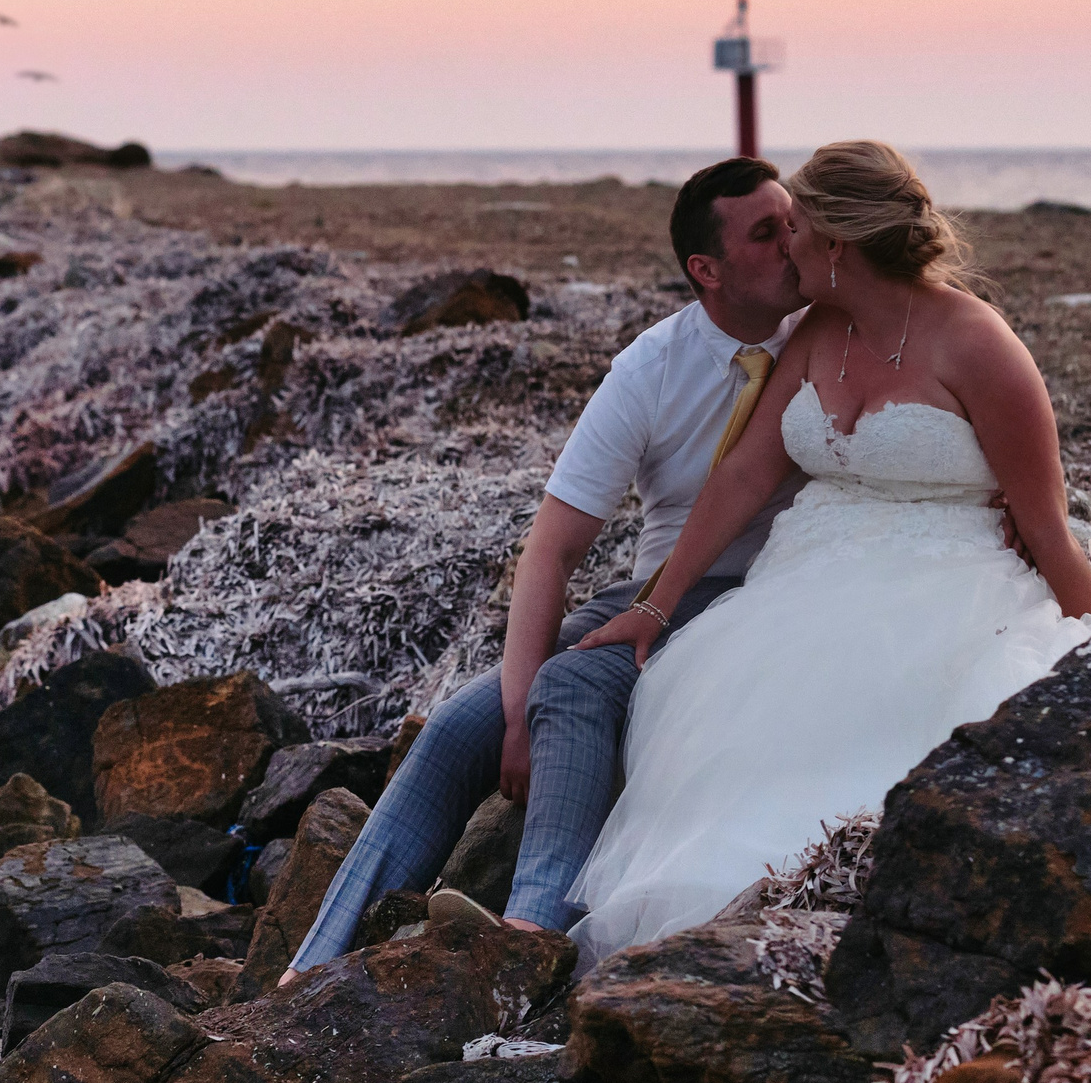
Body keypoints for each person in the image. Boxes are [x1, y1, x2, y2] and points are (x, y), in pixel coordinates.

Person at [564, 140, 1091, 966]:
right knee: (710, 740)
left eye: (793, 228)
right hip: (790, 597)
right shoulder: (816, 331)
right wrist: (654, 606)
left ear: (835, 245)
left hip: (945, 596)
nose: (783, 244)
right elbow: (740, 478)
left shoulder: (978, 344)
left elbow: (1046, 526)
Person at [282, 156, 810, 982]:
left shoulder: (825, 337)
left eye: (793, 220)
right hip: (653, 591)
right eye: (768, 232)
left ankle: (530, 935)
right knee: (461, 728)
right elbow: (553, 547)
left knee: (576, 685)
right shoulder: (653, 367)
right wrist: (516, 716)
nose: (794, 242)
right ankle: (312, 969)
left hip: (769, 591)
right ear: (706, 271)